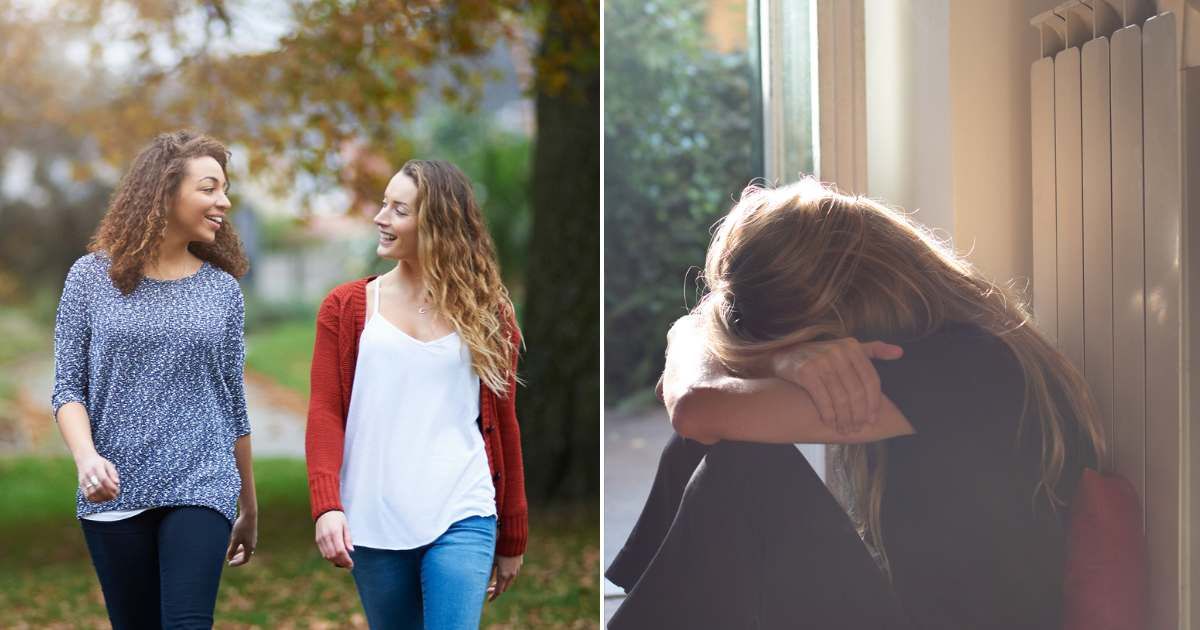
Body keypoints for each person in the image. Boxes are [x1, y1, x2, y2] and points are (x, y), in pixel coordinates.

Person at [607, 178, 1104, 629]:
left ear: (830, 309)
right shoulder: (939, 347)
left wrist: (712, 341)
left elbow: (695, 405)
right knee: (704, 447)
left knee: (739, 462)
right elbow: (688, 392)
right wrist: (782, 361)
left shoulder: (959, 365)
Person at [305, 159, 528, 629]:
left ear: (436, 224)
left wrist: (513, 534)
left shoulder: (488, 314)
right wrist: (327, 506)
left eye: (398, 209)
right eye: (383, 205)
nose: (380, 218)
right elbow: (326, 414)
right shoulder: (347, 308)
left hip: (462, 509)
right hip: (373, 518)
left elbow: (504, 424)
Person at [52, 130, 258, 629]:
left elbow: (233, 403)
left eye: (224, 189)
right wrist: (87, 459)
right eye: (208, 188)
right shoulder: (89, 278)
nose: (223, 201)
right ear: (164, 192)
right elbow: (67, 388)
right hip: (114, 488)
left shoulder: (223, 292)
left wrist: (247, 503)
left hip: (201, 484)